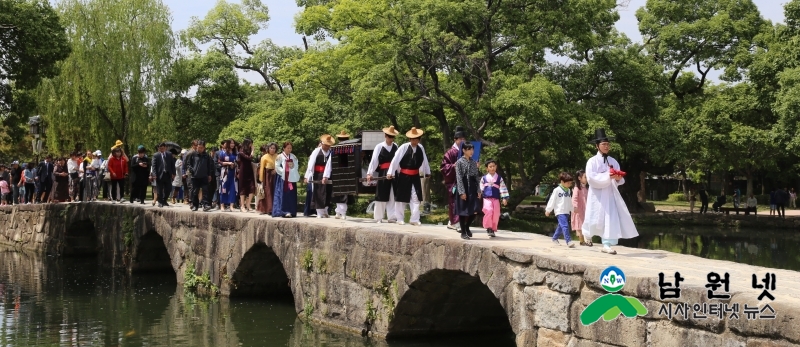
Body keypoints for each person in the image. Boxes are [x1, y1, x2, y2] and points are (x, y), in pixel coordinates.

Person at [581, 128, 638, 255]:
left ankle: (606, 244)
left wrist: (617, 178)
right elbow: (591, 178)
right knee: (593, 217)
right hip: (598, 195)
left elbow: (619, 177)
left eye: (607, 144)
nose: (606, 146)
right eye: (603, 144)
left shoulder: (613, 161)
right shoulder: (592, 161)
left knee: (610, 218)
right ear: (597, 146)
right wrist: (608, 177)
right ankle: (587, 234)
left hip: (610, 194)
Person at [387, 127, 431, 226]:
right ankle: (399, 218)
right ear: (410, 139)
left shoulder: (421, 148)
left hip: (415, 176)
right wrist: (391, 172)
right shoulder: (404, 147)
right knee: (401, 198)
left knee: (416, 198)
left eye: (416, 139)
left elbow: (424, 161)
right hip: (404, 175)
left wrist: (427, 171)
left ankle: (414, 219)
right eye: (413, 139)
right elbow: (395, 160)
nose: (415, 141)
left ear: (419, 139)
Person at [367, 126, 400, 223]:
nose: (391, 138)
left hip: (393, 172)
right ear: (385, 136)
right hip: (384, 171)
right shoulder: (379, 146)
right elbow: (374, 160)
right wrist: (370, 173)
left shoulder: (396, 146)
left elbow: (398, 160)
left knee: (392, 194)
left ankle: (392, 216)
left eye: (392, 137)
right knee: (381, 194)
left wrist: (399, 171)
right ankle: (378, 217)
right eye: (389, 136)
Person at [453, 142, 482, 239]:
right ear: (464, 150)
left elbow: (476, 177)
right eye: (469, 149)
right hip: (463, 186)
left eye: (472, 149)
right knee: (463, 210)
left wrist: (478, 189)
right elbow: (459, 178)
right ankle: (463, 232)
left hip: (472, 187)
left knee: (475, 209)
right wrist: (462, 192)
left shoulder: (474, 162)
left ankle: (467, 226)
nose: (471, 152)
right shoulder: (459, 162)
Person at [441, 126, 465, 230]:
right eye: (460, 139)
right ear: (455, 139)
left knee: (464, 201)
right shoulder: (450, 152)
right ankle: (456, 222)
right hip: (454, 181)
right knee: (454, 201)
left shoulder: (467, 151)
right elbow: (444, 167)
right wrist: (453, 166)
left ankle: (453, 222)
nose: (463, 141)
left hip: (464, 180)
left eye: (464, 139)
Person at [305, 135, 334, 218]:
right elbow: (311, 164)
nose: (328, 147)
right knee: (319, 192)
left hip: (328, 174)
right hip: (318, 174)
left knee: (328, 192)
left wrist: (327, 175)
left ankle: (326, 210)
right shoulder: (316, 151)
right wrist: (307, 176)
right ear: (322, 144)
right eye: (326, 145)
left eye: (329, 145)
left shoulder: (331, 152)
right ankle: (319, 211)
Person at [546, 172, 575, 247]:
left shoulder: (568, 190)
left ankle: (555, 238)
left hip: (566, 211)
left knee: (561, 226)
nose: (569, 184)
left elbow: (569, 201)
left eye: (570, 183)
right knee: (565, 226)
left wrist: (572, 209)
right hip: (559, 211)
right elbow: (552, 200)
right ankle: (568, 241)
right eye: (568, 183)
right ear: (562, 182)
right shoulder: (557, 190)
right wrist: (548, 210)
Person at [185, 140, 215, 212]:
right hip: (195, 176)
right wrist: (191, 170)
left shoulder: (206, 155)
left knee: (205, 191)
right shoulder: (193, 154)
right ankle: (195, 205)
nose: (199, 149)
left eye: (201, 147)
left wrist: (209, 175)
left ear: (204, 148)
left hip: (204, 176)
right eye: (198, 147)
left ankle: (205, 205)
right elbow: (188, 164)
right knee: (195, 191)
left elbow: (209, 166)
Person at [272, 142, 300, 218]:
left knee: (291, 194)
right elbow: (277, 166)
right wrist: (284, 172)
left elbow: (296, 166)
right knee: (283, 194)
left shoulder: (293, 157)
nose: (289, 149)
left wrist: (292, 171)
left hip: (291, 178)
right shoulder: (279, 157)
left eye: (290, 148)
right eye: (288, 148)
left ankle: (292, 210)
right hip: (282, 178)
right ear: (284, 148)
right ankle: (283, 211)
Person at [150, 142, 175, 208]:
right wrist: (154, 174)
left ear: (165, 148)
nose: (161, 149)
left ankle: (164, 200)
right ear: (159, 148)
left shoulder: (169, 154)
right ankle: (160, 202)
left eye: (163, 148)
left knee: (169, 189)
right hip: (159, 175)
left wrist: (174, 173)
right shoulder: (156, 155)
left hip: (167, 174)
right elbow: (154, 166)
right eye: (160, 148)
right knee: (159, 189)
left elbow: (172, 164)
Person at [572, 170, 591, 246]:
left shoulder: (586, 188)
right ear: (579, 178)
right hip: (579, 210)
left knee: (586, 224)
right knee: (579, 225)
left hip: (585, 210)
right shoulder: (577, 188)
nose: (587, 178)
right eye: (585, 177)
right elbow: (574, 198)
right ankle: (582, 240)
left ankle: (588, 240)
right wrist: (575, 206)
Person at [258, 143, 278, 215]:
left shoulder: (278, 156)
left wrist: (276, 170)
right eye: (271, 148)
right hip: (267, 175)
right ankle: (267, 209)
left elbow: (281, 165)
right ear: (268, 149)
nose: (272, 150)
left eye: (274, 148)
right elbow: (261, 168)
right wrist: (261, 179)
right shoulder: (264, 157)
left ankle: (275, 208)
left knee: (275, 191)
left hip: (276, 174)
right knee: (268, 191)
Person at [237, 138, 256, 212]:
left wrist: (251, 151)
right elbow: (249, 158)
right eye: (250, 143)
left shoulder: (249, 150)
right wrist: (252, 151)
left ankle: (248, 203)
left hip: (249, 170)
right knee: (243, 188)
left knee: (252, 187)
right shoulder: (241, 150)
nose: (251, 145)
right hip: (243, 170)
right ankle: (242, 205)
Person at [218, 139, 238, 212]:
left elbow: (237, 162)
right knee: (223, 188)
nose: (232, 145)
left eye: (233, 143)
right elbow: (219, 161)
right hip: (225, 173)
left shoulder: (235, 153)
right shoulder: (223, 152)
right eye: (231, 143)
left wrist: (234, 165)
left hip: (233, 173)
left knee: (233, 188)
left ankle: (231, 205)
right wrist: (228, 163)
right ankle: (222, 205)